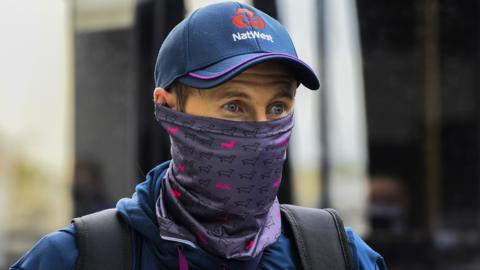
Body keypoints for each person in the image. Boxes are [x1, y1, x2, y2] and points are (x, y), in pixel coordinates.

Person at [10, 2, 386, 269]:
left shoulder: (339, 256)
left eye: (277, 108)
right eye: (234, 106)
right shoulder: (76, 258)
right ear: (168, 107)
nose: (259, 130)